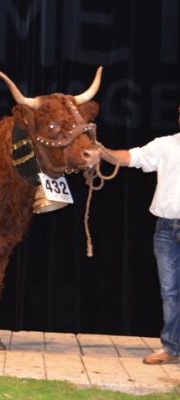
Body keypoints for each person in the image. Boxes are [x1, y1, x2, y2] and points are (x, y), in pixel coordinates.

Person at [99, 108, 180, 365]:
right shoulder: (166, 145)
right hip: (167, 229)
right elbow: (132, 157)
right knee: (170, 291)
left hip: (167, 231)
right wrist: (103, 152)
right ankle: (172, 347)